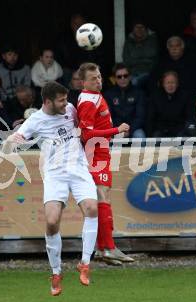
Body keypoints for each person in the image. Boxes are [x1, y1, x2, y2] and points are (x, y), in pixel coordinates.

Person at [6, 81, 98, 296]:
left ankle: (84, 263)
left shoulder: (70, 109)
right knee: (51, 220)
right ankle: (56, 272)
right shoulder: (35, 121)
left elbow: (81, 128)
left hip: (78, 168)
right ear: (47, 101)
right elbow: (15, 139)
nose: (66, 103)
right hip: (55, 174)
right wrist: (13, 139)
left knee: (92, 208)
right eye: (61, 100)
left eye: (66, 99)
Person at [76, 62, 134, 265]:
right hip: (95, 154)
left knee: (102, 198)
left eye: (99, 76)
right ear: (83, 82)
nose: (98, 80)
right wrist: (115, 130)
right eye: (93, 78)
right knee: (103, 197)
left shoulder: (93, 96)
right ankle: (108, 248)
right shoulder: (88, 102)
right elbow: (85, 134)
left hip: (101, 152)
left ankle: (104, 248)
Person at [103, 63, 146, 138]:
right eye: (119, 77)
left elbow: (140, 116)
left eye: (125, 76)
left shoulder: (139, 93)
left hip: (133, 129)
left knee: (140, 135)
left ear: (130, 77)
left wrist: (129, 130)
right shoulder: (108, 94)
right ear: (115, 78)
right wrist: (119, 130)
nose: (123, 79)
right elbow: (108, 117)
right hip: (116, 129)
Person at [122, 19, 158, 89]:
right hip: (132, 72)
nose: (139, 29)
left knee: (134, 82)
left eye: (141, 27)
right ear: (133, 29)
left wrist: (136, 58)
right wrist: (145, 60)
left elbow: (153, 56)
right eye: (137, 27)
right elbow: (126, 60)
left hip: (149, 72)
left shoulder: (152, 39)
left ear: (146, 29)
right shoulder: (129, 41)